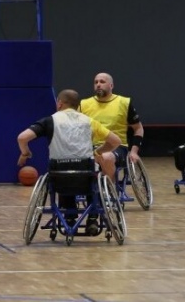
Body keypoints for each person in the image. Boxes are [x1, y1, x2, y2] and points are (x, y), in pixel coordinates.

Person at [17, 89, 121, 230]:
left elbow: (22, 137)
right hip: (85, 174)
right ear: (77, 105)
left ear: (59, 103)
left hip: (59, 176)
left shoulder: (49, 120)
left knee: (64, 176)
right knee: (93, 179)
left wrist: (25, 153)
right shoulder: (89, 121)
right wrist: (97, 151)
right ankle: (92, 217)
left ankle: (69, 217)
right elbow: (116, 141)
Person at [79, 72, 144, 182]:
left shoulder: (124, 102)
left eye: (102, 82)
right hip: (91, 147)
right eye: (96, 82)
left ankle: (110, 190)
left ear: (111, 85)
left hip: (117, 147)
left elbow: (138, 129)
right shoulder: (84, 104)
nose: (98, 84)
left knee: (106, 156)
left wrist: (134, 151)